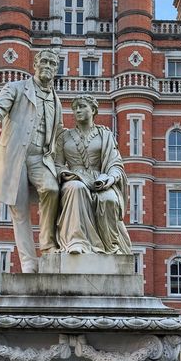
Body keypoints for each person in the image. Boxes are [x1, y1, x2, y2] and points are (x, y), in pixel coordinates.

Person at [0, 49, 63, 273]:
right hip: (15, 156)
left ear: (56, 69)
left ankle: (48, 246)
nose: (48, 65)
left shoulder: (56, 100)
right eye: (44, 60)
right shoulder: (16, 88)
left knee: (52, 190)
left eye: (52, 63)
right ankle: (28, 263)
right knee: (20, 210)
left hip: (39, 157)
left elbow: (58, 134)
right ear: (35, 64)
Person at [54, 95, 133, 255]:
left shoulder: (105, 135)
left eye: (82, 106)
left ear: (93, 110)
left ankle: (111, 246)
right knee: (77, 188)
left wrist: (109, 178)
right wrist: (65, 174)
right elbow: (57, 164)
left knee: (109, 199)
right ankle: (76, 241)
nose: (78, 110)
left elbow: (115, 163)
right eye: (75, 108)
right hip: (73, 178)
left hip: (99, 180)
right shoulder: (64, 137)